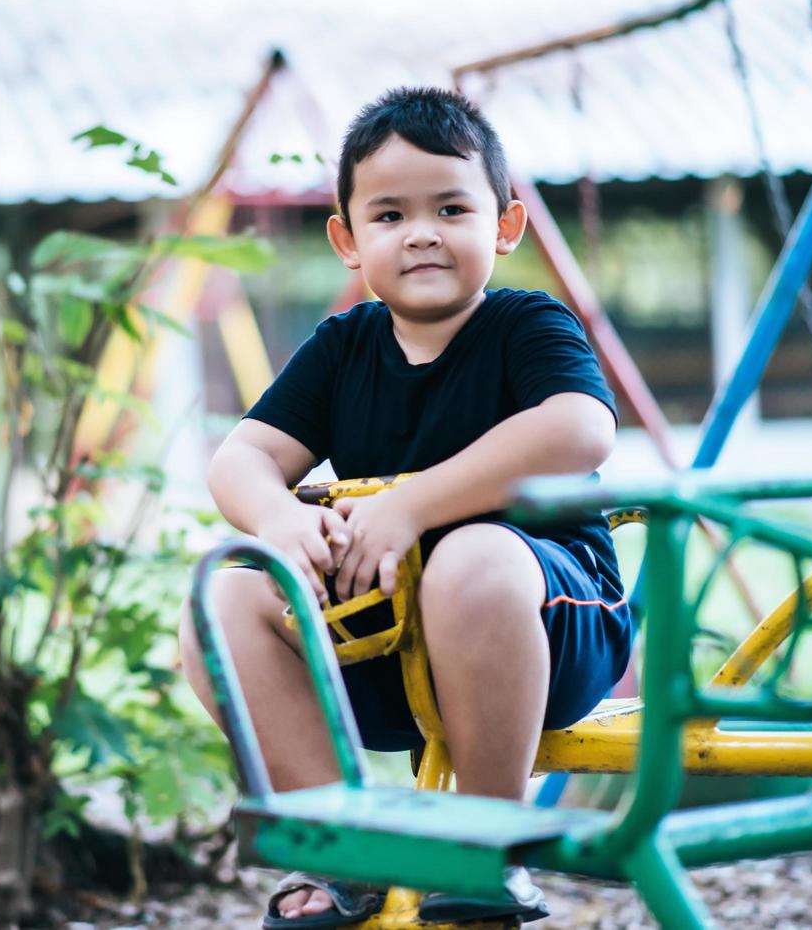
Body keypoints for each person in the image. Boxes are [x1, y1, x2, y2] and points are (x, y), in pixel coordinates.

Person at [179, 86, 632, 929]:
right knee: (225, 598)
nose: (420, 231)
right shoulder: (341, 347)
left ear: (504, 225)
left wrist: (412, 504)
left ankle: (485, 845)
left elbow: (579, 429)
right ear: (348, 242)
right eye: (389, 215)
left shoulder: (526, 326)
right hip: (386, 643)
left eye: (450, 207)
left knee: (471, 557)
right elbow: (241, 457)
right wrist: (280, 520)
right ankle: (344, 844)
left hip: (547, 624)